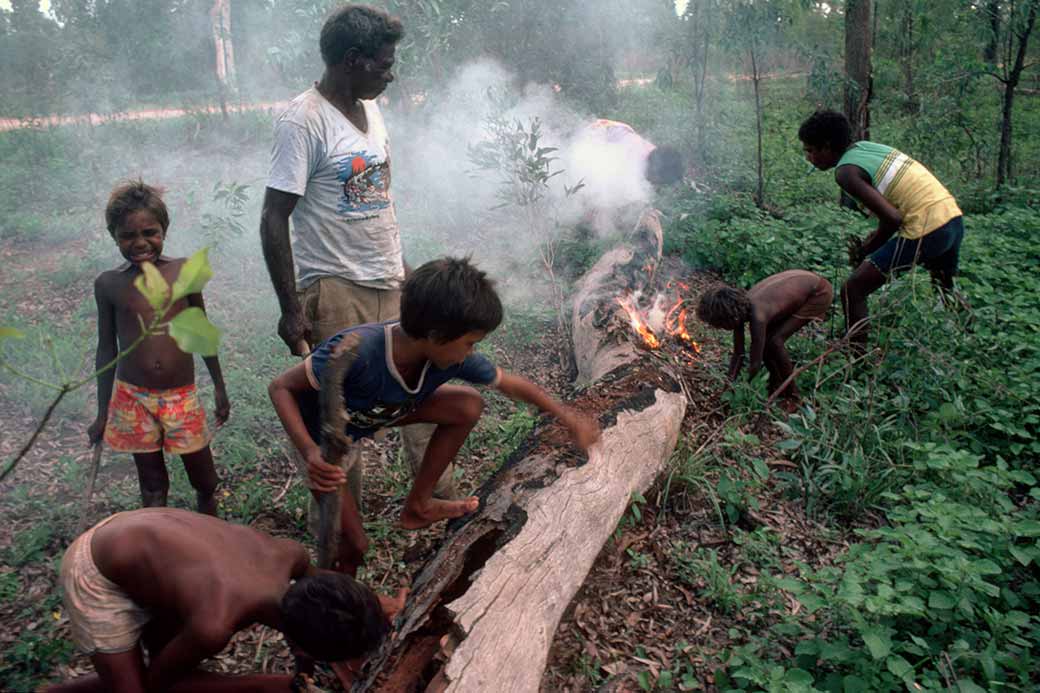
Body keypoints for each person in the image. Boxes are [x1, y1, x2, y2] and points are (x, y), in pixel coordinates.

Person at [268, 257, 601, 575]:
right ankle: (342, 606)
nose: (472, 352)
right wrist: (311, 453)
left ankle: (419, 505)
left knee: (466, 405)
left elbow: (510, 384)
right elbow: (281, 388)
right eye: (470, 342)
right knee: (353, 544)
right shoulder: (361, 352)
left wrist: (567, 418)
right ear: (436, 334)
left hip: (375, 413)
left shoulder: (449, 355)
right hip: (323, 441)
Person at [258, 4, 452, 511]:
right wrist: (290, 307)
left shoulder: (372, 109)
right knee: (339, 423)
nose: (391, 73)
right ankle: (342, 546)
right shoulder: (302, 122)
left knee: (423, 397)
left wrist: (403, 269)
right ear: (351, 60)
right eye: (384, 64)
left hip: (390, 282)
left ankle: (438, 509)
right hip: (336, 290)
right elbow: (274, 216)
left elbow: (379, 199)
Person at [46, 508, 402, 693]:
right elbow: (157, 684)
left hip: (147, 538)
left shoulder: (289, 556)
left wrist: (373, 606)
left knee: (164, 662)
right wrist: (267, 685)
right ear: (296, 642)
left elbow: (329, 586)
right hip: (97, 568)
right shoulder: (213, 623)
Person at [88, 181, 228, 516]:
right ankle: (157, 549)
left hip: (181, 397)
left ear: (164, 229)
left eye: (149, 232)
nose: (140, 243)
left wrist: (220, 387)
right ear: (113, 236)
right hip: (132, 398)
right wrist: (102, 411)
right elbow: (106, 349)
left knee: (206, 481)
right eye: (127, 236)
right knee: (152, 487)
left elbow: (201, 334)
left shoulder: (183, 273)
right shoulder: (109, 284)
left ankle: (212, 539)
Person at [798, 110, 964, 349]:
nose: (809, 158)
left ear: (827, 146)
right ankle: (964, 339)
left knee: (852, 289)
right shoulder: (864, 147)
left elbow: (893, 219)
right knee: (944, 285)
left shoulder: (845, 172)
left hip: (927, 229)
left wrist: (868, 248)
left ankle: (857, 360)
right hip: (951, 217)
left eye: (811, 150)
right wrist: (876, 238)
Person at [696, 270, 833, 410]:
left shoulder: (758, 316)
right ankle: (776, 384)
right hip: (805, 285)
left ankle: (793, 396)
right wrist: (727, 386)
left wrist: (738, 389)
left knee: (774, 342)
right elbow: (739, 353)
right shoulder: (739, 308)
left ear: (727, 318)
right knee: (768, 343)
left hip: (818, 294)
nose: (719, 328)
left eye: (718, 324)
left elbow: (755, 364)